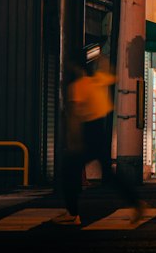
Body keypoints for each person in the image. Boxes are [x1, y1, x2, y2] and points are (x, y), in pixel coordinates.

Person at [54, 52, 146, 225]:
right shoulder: (97, 80)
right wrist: (102, 58)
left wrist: (73, 139)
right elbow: (113, 75)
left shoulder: (78, 86)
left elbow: (74, 116)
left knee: (68, 170)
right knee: (109, 175)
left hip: (87, 132)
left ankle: (72, 213)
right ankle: (136, 202)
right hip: (101, 131)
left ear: (74, 68)